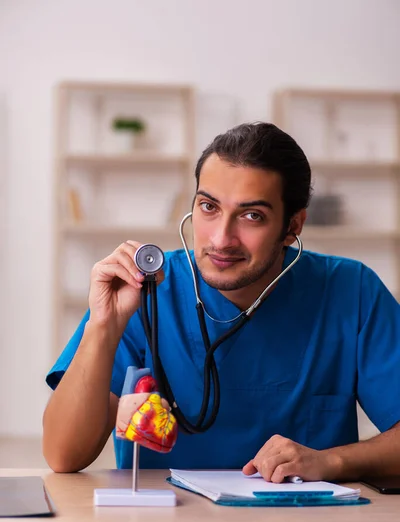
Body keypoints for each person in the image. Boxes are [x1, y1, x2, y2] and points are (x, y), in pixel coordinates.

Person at [44, 122, 400, 483]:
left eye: (252, 216)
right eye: (209, 207)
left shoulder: (351, 291)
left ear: (293, 226)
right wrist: (102, 326)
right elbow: (63, 454)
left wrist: (334, 462)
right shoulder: (144, 292)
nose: (221, 238)